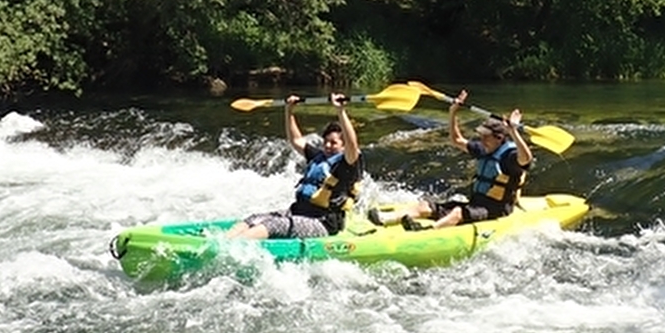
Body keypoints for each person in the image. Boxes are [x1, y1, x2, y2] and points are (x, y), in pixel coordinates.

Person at [374, 88, 531, 230]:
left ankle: (428, 233)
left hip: (496, 210)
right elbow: (456, 140)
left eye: (486, 136)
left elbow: (526, 159)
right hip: (475, 205)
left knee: (457, 212)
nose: (481, 139)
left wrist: (514, 131)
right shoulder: (484, 149)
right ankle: (384, 218)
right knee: (425, 206)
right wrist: (453, 112)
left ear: (499, 138)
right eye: (481, 135)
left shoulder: (509, 158)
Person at [227, 92, 363, 239]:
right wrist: (289, 111)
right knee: (253, 220)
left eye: (333, 143)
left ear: (343, 146)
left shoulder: (347, 164)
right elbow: (296, 140)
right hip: (298, 212)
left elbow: (352, 144)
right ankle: (225, 241)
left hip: (322, 223)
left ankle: (231, 247)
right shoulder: (318, 157)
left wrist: (340, 111)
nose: (328, 145)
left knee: (273, 225)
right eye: (326, 141)